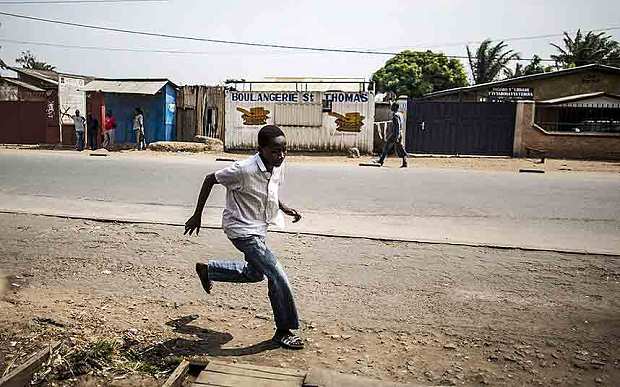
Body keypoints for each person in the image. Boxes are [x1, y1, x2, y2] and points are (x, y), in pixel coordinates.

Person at [184, 125, 305, 350]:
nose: (281, 156)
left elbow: (267, 191)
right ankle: (284, 330)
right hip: (241, 230)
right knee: (277, 275)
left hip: (259, 228)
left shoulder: (277, 165)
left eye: (284, 150)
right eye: (275, 151)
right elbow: (210, 179)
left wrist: (285, 208)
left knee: (255, 274)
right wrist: (197, 215)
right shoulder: (243, 169)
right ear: (261, 149)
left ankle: (209, 270)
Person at [375, 102, 407, 168]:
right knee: (400, 147)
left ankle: (381, 160)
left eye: (392, 106)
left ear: (395, 107)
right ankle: (405, 161)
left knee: (387, 146)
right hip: (399, 133)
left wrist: (397, 136)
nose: (391, 107)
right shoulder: (400, 114)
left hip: (395, 134)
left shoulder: (395, 115)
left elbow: (397, 125)